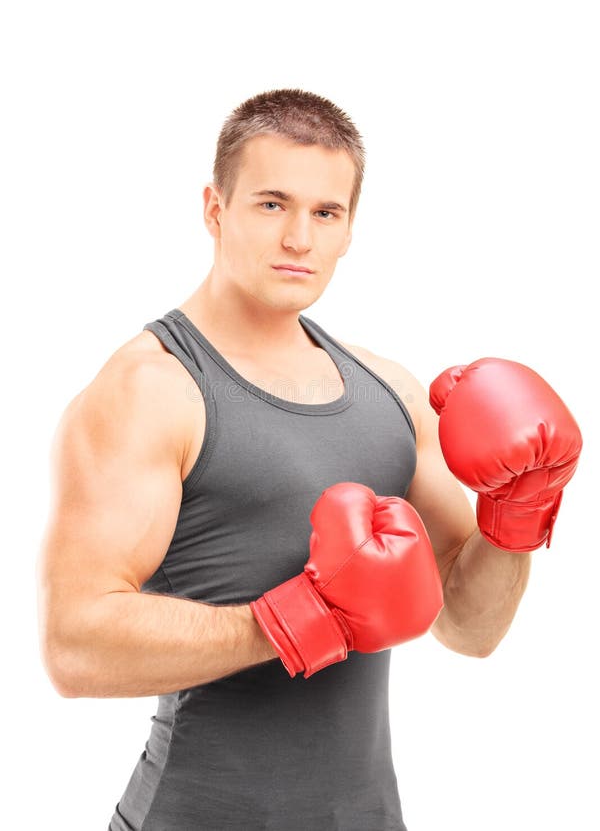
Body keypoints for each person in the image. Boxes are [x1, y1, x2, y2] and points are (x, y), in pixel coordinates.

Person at [36, 88, 582, 831]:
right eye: (271, 204)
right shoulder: (148, 390)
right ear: (214, 208)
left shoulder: (390, 388)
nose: (299, 237)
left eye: (325, 213)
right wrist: (301, 617)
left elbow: (470, 626)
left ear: (349, 229)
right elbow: (74, 646)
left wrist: (517, 517)